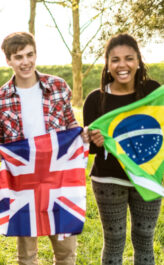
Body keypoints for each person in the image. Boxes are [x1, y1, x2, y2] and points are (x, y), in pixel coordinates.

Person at [0, 32, 79, 265]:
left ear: (36, 54)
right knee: (27, 256)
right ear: (8, 61)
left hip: (58, 179)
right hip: (24, 185)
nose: (25, 62)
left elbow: (72, 126)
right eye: (18, 57)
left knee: (65, 251)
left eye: (30, 55)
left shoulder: (58, 87)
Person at [83, 33, 161, 265]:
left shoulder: (153, 92)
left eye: (128, 58)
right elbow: (91, 152)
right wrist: (92, 140)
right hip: (109, 181)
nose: (122, 65)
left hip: (148, 178)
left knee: (145, 239)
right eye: (115, 60)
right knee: (114, 241)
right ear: (107, 64)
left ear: (138, 60)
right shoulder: (96, 99)